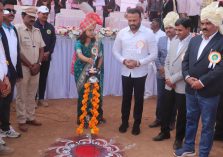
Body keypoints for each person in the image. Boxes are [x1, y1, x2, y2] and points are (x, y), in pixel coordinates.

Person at [174, 4, 223, 157]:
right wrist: (188, 78)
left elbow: (220, 67)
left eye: (208, 23)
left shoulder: (221, 42)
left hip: (209, 91)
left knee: (208, 125)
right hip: (190, 89)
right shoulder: (194, 41)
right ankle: (188, 147)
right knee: (190, 119)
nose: (204, 26)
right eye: (203, 23)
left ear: (216, 24)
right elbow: (185, 62)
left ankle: (203, 153)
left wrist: (201, 82)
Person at [113, 8, 157, 135]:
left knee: (139, 99)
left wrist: (138, 63)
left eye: (135, 20)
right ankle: (124, 122)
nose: (132, 22)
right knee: (126, 98)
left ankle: (137, 124)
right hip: (125, 71)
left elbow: (153, 54)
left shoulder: (148, 33)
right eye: (130, 20)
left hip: (141, 72)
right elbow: (115, 51)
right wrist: (124, 60)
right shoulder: (122, 33)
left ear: (140, 19)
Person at [153, 18, 192, 151]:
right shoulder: (174, 40)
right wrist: (168, 78)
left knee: (181, 113)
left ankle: (179, 139)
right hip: (169, 82)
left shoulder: (193, 43)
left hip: (182, 84)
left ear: (188, 29)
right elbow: (168, 60)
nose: (177, 32)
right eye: (176, 29)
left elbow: (189, 66)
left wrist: (174, 79)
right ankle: (164, 132)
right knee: (166, 108)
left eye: (180, 30)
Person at [72, 12, 105, 125]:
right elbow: (79, 55)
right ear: (84, 31)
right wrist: (88, 60)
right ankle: (81, 117)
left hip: (93, 70)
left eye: (93, 30)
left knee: (95, 91)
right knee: (82, 92)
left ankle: (95, 115)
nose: (92, 32)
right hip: (80, 69)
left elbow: (100, 56)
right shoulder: (78, 43)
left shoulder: (96, 42)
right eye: (90, 30)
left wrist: (98, 68)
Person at [16, 7, 45, 132]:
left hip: (36, 67)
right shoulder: (17, 29)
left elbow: (41, 48)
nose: (32, 19)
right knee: (22, 94)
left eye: (34, 17)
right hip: (23, 67)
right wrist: (30, 65)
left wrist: (38, 63)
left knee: (32, 94)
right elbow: (17, 51)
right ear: (23, 16)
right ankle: (21, 120)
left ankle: (30, 117)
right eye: (29, 16)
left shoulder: (37, 31)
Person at [149, 12, 178, 129]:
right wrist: (159, 67)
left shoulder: (180, 41)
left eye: (171, 27)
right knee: (161, 97)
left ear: (176, 28)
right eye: (166, 28)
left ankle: (171, 120)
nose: (168, 30)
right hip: (161, 73)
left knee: (173, 98)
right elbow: (156, 55)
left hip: (175, 75)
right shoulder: (161, 39)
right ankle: (159, 119)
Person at [0, 0, 23, 139]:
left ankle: (5, 127)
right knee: (3, 101)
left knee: (7, 101)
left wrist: (17, 71)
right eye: (7, 10)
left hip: (11, 72)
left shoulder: (13, 29)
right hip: (3, 73)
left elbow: (16, 51)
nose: (11, 13)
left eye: (13, 11)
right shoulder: (0, 29)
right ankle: (4, 128)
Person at [34, 6, 56, 107]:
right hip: (35, 58)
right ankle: (33, 99)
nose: (45, 15)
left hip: (46, 58)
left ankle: (41, 99)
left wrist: (48, 53)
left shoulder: (50, 27)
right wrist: (40, 54)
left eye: (46, 14)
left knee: (43, 77)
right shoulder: (34, 25)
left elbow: (53, 41)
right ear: (38, 14)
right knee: (34, 78)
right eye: (43, 13)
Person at [0, 0, 14, 155]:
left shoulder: (1, 31)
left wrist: (6, 77)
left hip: (4, 77)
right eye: (1, 11)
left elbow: (3, 57)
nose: (3, 14)